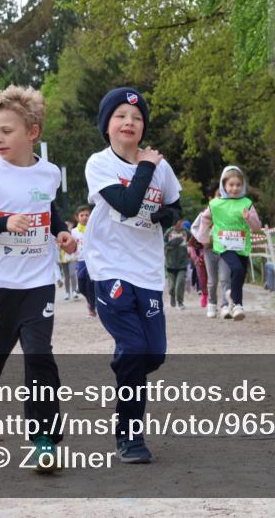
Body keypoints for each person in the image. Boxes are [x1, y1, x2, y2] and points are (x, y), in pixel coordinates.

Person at [0, 85, 76, 472]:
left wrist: (61, 231)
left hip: (37, 282)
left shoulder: (48, 173)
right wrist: (3, 223)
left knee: (40, 356)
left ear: (33, 133)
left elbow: (48, 209)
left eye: (7, 131)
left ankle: (44, 438)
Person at [82, 87, 182, 463]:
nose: (129, 122)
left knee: (152, 354)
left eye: (137, 118)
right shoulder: (100, 164)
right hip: (109, 267)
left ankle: (127, 362)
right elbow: (125, 203)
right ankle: (130, 438)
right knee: (135, 350)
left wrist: (164, 216)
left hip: (147, 270)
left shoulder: (161, 166)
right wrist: (145, 167)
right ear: (107, 125)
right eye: (121, 116)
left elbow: (174, 206)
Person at [209, 166, 262, 321]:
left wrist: (248, 218)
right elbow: (204, 219)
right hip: (224, 245)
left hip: (241, 245)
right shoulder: (216, 204)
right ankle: (237, 304)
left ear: (243, 185)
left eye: (238, 185)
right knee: (237, 268)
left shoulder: (247, 203)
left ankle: (234, 302)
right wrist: (201, 236)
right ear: (224, 185)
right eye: (231, 185)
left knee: (240, 274)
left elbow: (257, 227)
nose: (235, 188)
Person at [71, 205, 93, 314]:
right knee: (82, 286)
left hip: (92, 261)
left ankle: (92, 307)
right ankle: (91, 301)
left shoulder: (93, 228)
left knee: (90, 284)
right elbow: (71, 245)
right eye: (82, 215)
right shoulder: (74, 232)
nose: (84, 217)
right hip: (80, 261)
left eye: (87, 215)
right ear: (77, 217)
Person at [165, 219, 190, 309]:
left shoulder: (186, 231)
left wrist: (190, 249)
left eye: (179, 220)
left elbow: (192, 240)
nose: (178, 223)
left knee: (180, 283)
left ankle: (180, 302)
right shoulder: (169, 231)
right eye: (176, 221)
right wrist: (171, 245)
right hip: (170, 263)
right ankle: (172, 296)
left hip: (182, 262)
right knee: (172, 287)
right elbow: (164, 244)